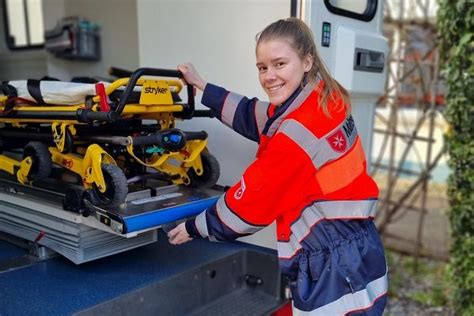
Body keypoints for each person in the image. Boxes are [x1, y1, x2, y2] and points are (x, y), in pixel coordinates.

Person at [168, 17, 388, 315]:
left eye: (279, 64)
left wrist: (195, 227)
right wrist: (203, 87)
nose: (269, 76)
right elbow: (257, 116)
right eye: (262, 67)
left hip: (332, 267)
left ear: (307, 61)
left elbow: (250, 204)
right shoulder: (324, 97)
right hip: (357, 245)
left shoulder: (298, 133)